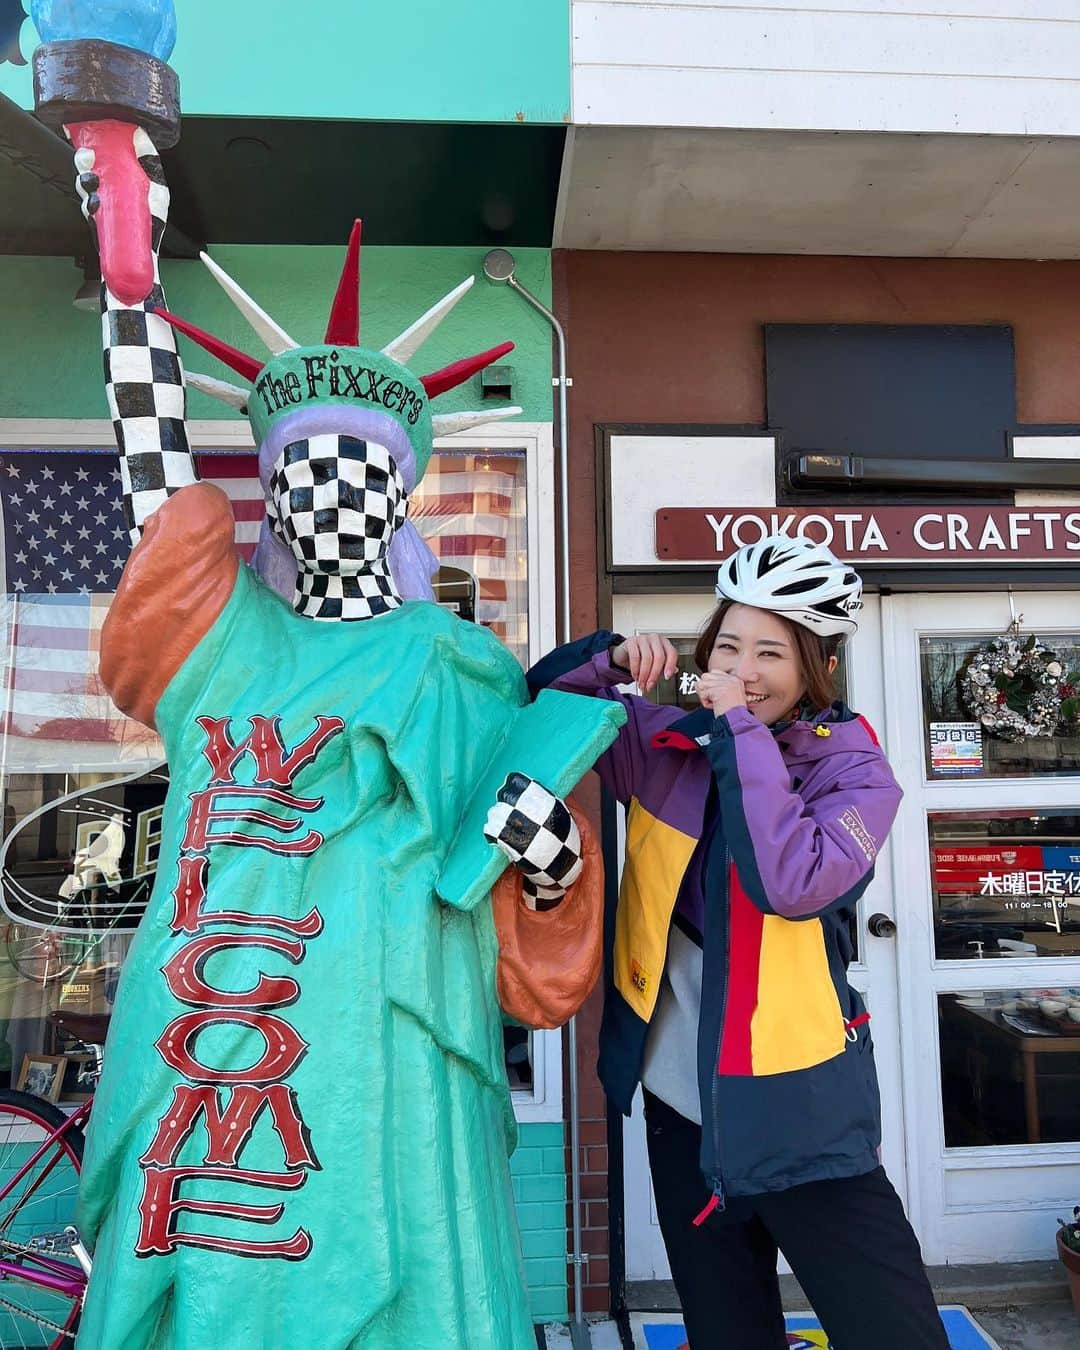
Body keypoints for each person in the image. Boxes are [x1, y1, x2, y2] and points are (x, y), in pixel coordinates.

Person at [527, 535, 949, 1350]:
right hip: (680, 1105)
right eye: (728, 644)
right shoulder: (665, 748)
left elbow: (789, 882)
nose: (744, 668)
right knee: (727, 1331)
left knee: (893, 1330)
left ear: (815, 664)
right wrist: (607, 659)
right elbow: (539, 706)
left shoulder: (854, 773)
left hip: (801, 1110)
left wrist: (738, 734)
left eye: (770, 651)